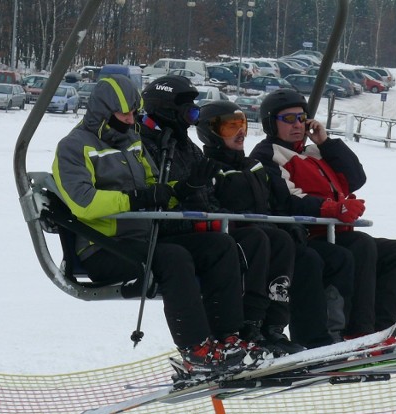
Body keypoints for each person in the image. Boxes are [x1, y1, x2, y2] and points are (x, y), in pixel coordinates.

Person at [52, 74, 256, 375]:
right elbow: (84, 202)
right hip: (105, 247)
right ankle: (195, 349)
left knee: (220, 246)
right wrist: (135, 199)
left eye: (134, 113)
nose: (131, 119)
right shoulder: (74, 147)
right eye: (125, 114)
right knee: (173, 257)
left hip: (144, 239)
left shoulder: (131, 143)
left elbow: (154, 189)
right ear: (103, 112)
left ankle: (228, 337)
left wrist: (183, 189)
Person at [137, 76, 292, 356]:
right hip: (172, 231)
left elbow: (207, 194)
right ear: (168, 110)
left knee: (277, 238)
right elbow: (157, 193)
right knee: (249, 239)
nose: (191, 117)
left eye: (195, 111)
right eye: (189, 111)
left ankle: (265, 327)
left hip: (200, 226)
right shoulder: (148, 146)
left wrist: (213, 212)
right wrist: (194, 199)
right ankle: (236, 330)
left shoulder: (185, 147)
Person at [250, 88, 396, 342]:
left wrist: (326, 143)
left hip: (334, 233)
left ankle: (382, 331)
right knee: (359, 246)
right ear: (270, 123)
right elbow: (284, 198)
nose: (297, 124)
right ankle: (357, 331)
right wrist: (330, 208)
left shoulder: (315, 152)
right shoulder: (268, 154)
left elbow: (355, 178)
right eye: (288, 119)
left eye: (301, 118)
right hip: (305, 235)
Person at [195, 100, 306, 355]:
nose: (240, 132)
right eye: (230, 127)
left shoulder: (252, 167)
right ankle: (249, 325)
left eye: (242, 124)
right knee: (260, 237)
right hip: (233, 237)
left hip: (260, 235)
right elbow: (207, 205)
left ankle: (273, 327)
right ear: (211, 132)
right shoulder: (209, 168)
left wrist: (288, 225)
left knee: (280, 238)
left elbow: (272, 205)